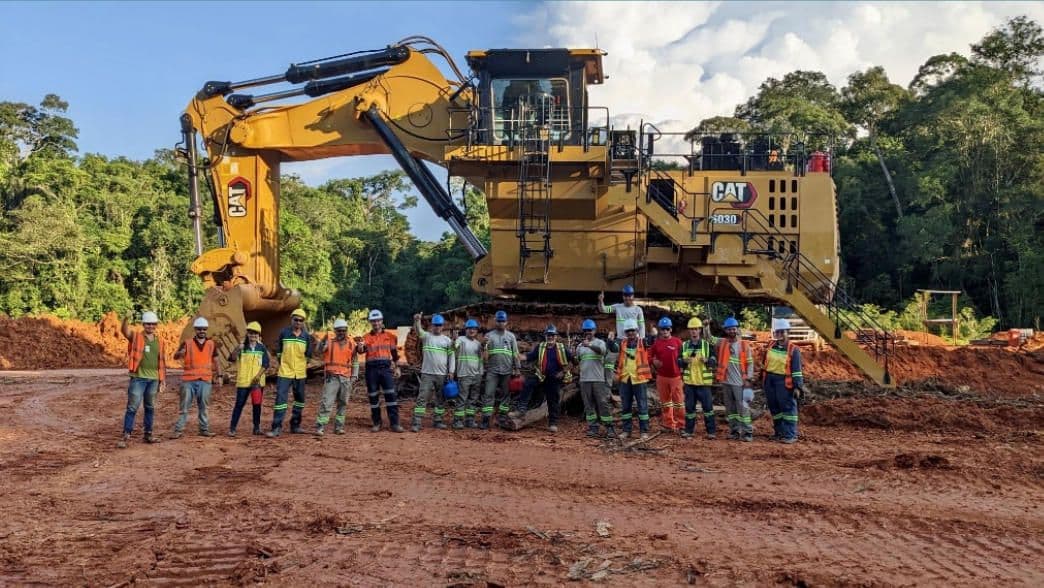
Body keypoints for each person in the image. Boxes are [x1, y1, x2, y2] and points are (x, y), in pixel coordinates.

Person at [117, 311, 166, 448]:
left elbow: (161, 362)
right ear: (144, 324)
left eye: (153, 324)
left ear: (156, 325)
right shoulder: (137, 337)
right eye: (148, 324)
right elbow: (124, 331)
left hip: (154, 379)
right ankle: (126, 435)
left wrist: (162, 380)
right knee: (132, 407)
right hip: (138, 378)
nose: (150, 326)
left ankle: (148, 434)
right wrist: (126, 318)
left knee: (150, 407)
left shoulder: (160, 341)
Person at [512, 324, 572, 433]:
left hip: (554, 378)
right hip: (542, 376)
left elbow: (574, 361)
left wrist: (563, 372)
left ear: (556, 336)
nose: (550, 337)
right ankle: (521, 409)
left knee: (552, 400)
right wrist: (519, 356)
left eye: (552, 335)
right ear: (545, 335)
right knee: (528, 383)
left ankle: (553, 423)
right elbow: (529, 357)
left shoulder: (562, 348)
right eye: (548, 335)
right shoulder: (541, 347)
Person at [171, 317, 222, 439]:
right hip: (188, 381)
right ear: (195, 330)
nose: (202, 331)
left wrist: (220, 376)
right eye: (199, 329)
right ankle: (178, 430)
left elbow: (216, 361)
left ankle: (203, 429)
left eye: (204, 329)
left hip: (205, 380)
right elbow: (175, 357)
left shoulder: (211, 344)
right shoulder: (187, 343)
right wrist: (180, 354)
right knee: (184, 407)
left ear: (206, 330)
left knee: (204, 407)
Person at [268, 308, 313, 437]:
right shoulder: (284, 333)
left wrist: (302, 365)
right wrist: (283, 363)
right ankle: (276, 427)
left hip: (300, 373)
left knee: (299, 399)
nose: (298, 322)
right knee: (280, 400)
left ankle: (295, 425)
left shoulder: (306, 337)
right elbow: (279, 352)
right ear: (291, 320)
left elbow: (308, 355)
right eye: (296, 319)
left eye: (301, 320)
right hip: (285, 372)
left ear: (303, 322)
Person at [358, 309, 404, 433]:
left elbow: (395, 355)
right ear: (370, 322)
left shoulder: (390, 337)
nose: (376, 323)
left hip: (385, 369)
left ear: (382, 321)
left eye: (378, 320)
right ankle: (377, 423)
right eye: (373, 321)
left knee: (391, 396)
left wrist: (397, 367)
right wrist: (360, 347)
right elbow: (361, 351)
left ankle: (394, 424)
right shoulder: (366, 337)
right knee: (373, 397)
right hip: (371, 370)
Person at [762, 318, 804, 443]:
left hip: (784, 382)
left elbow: (796, 370)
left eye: (782, 332)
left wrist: (797, 387)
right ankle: (779, 432)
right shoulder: (770, 345)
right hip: (770, 380)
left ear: (788, 332)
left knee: (788, 408)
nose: (779, 334)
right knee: (774, 408)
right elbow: (765, 363)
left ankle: (790, 434)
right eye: (777, 332)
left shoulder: (793, 349)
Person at [411, 313, 455, 432]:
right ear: (432, 326)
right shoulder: (426, 337)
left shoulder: (447, 341)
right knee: (422, 398)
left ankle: (438, 421)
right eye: (435, 325)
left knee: (440, 399)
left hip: (442, 375)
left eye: (439, 325)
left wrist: (451, 371)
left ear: (443, 326)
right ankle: (417, 422)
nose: (437, 327)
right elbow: (418, 330)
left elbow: (452, 357)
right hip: (427, 374)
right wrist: (417, 320)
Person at [315, 318, 357, 436]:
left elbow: (355, 360)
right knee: (327, 403)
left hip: (345, 378)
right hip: (332, 378)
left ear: (346, 330)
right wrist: (321, 343)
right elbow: (318, 351)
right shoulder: (329, 341)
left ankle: (339, 427)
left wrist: (354, 376)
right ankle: (320, 427)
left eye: (343, 331)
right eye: (339, 331)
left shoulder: (351, 343)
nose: (341, 333)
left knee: (343, 403)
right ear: (335, 331)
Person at [715, 316, 755, 442]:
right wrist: (705, 327)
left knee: (743, 408)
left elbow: (750, 363)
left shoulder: (743, 345)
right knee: (730, 409)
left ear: (737, 329)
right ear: (726, 331)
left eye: (733, 329)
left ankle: (747, 432)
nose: (731, 331)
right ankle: (734, 431)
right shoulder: (723, 343)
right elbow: (709, 339)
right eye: (729, 329)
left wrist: (748, 378)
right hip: (726, 382)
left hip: (740, 382)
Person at [228, 321, 270, 437]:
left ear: (258, 335)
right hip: (243, 382)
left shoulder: (261, 348)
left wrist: (257, 377)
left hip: (257, 383)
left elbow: (266, 364)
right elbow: (231, 358)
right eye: (251, 333)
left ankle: (256, 428)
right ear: (247, 334)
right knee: (239, 405)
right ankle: (232, 428)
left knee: (257, 405)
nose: (253, 336)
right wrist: (238, 349)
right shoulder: (242, 347)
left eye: (255, 333)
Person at [679, 317, 718, 439]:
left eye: (696, 329)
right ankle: (689, 431)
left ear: (700, 330)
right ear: (689, 331)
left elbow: (714, 360)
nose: (694, 331)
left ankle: (711, 432)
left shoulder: (707, 345)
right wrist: (684, 361)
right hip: (690, 383)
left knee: (708, 409)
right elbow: (678, 361)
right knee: (690, 409)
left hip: (703, 384)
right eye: (692, 329)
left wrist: (708, 360)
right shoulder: (684, 346)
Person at [575, 319, 615, 438]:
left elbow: (602, 352)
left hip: (598, 379)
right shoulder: (579, 347)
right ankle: (593, 428)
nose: (588, 332)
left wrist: (590, 345)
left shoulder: (599, 343)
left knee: (603, 403)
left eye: (590, 330)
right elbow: (577, 360)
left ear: (594, 331)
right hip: (584, 380)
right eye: (586, 330)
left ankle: (609, 427)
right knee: (588, 405)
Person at [482, 310, 521, 429]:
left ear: (506, 322)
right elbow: (484, 353)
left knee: (506, 394)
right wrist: (483, 345)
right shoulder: (489, 336)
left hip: (507, 370)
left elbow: (515, 353)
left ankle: (502, 417)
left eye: (503, 321)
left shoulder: (511, 336)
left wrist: (517, 368)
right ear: (495, 321)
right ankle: (486, 419)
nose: (501, 323)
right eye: (499, 321)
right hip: (492, 370)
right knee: (489, 394)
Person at [616, 319, 652, 440]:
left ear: (637, 331)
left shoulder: (643, 342)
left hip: (639, 379)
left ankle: (644, 431)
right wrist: (610, 340)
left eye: (632, 330)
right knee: (626, 406)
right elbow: (612, 347)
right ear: (625, 332)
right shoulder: (622, 343)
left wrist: (653, 333)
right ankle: (627, 431)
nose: (630, 333)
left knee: (642, 406)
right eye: (628, 331)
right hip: (626, 378)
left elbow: (652, 341)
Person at [649, 316, 684, 433]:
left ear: (671, 330)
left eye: (667, 329)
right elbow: (648, 355)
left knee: (678, 402)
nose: (665, 331)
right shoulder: (656, 344)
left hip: (676, 377)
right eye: (662, 329)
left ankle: (681, 424)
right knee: (665, 402)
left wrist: (683, 367)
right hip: (662, 377)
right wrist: (653, 361)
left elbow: (684, 355)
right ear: (660, 330)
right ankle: (668, 423)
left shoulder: (677, 342)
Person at [453, 318, 484, 429]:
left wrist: (480, 373)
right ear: (466, 330)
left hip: (476, 376)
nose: (472, 331)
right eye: (470, 328)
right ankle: (457, 421)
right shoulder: (460, 340)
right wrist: (454, 340)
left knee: (473, 400)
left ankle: (470, 420)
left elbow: (481, 360)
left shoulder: (478, 344)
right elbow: (454, 347)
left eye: (474, 329)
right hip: (464, 374)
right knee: (462, 399)